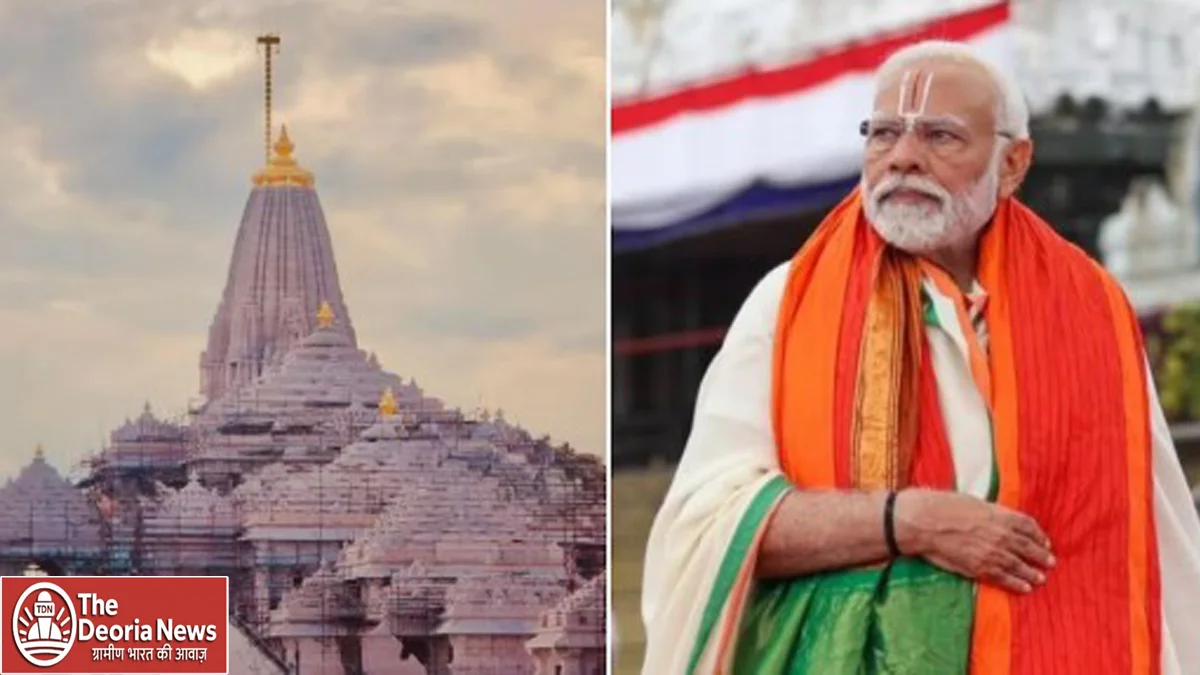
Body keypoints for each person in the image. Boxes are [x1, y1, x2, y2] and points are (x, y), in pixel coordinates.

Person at [639, 40, 1200, 675]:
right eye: (882, 135)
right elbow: (705, 528)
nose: (903, 158)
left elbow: (1156, 543)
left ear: (1012, 164)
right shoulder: (788, 302)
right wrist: (906, 520)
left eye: (940, 136)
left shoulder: (1093, 309)